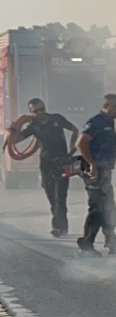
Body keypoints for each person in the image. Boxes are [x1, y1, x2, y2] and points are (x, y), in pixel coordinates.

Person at [10, 98, 77, 236]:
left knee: (60, 197)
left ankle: (58, 227)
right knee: (51, 196)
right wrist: (14, 129)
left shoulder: (56, 118)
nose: (40, 113)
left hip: (62, 161)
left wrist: (72, 148)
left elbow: (74, 129)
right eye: (36, 111)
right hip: (46, 164)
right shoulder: (33, 126)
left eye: (42, 109)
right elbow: (15, 140)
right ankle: (61, 225)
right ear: (31, 112)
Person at [76, 93, 116, 255]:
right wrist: (92, 164)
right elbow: (81, 143)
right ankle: (86, 245)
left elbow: (100, 144)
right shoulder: (96, 122)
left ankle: (112, 241)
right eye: (115, 107)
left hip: (105, 171)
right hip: (94, 172)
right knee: (98, 208)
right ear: (105, 106)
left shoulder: (109, 123)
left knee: (109, 208)